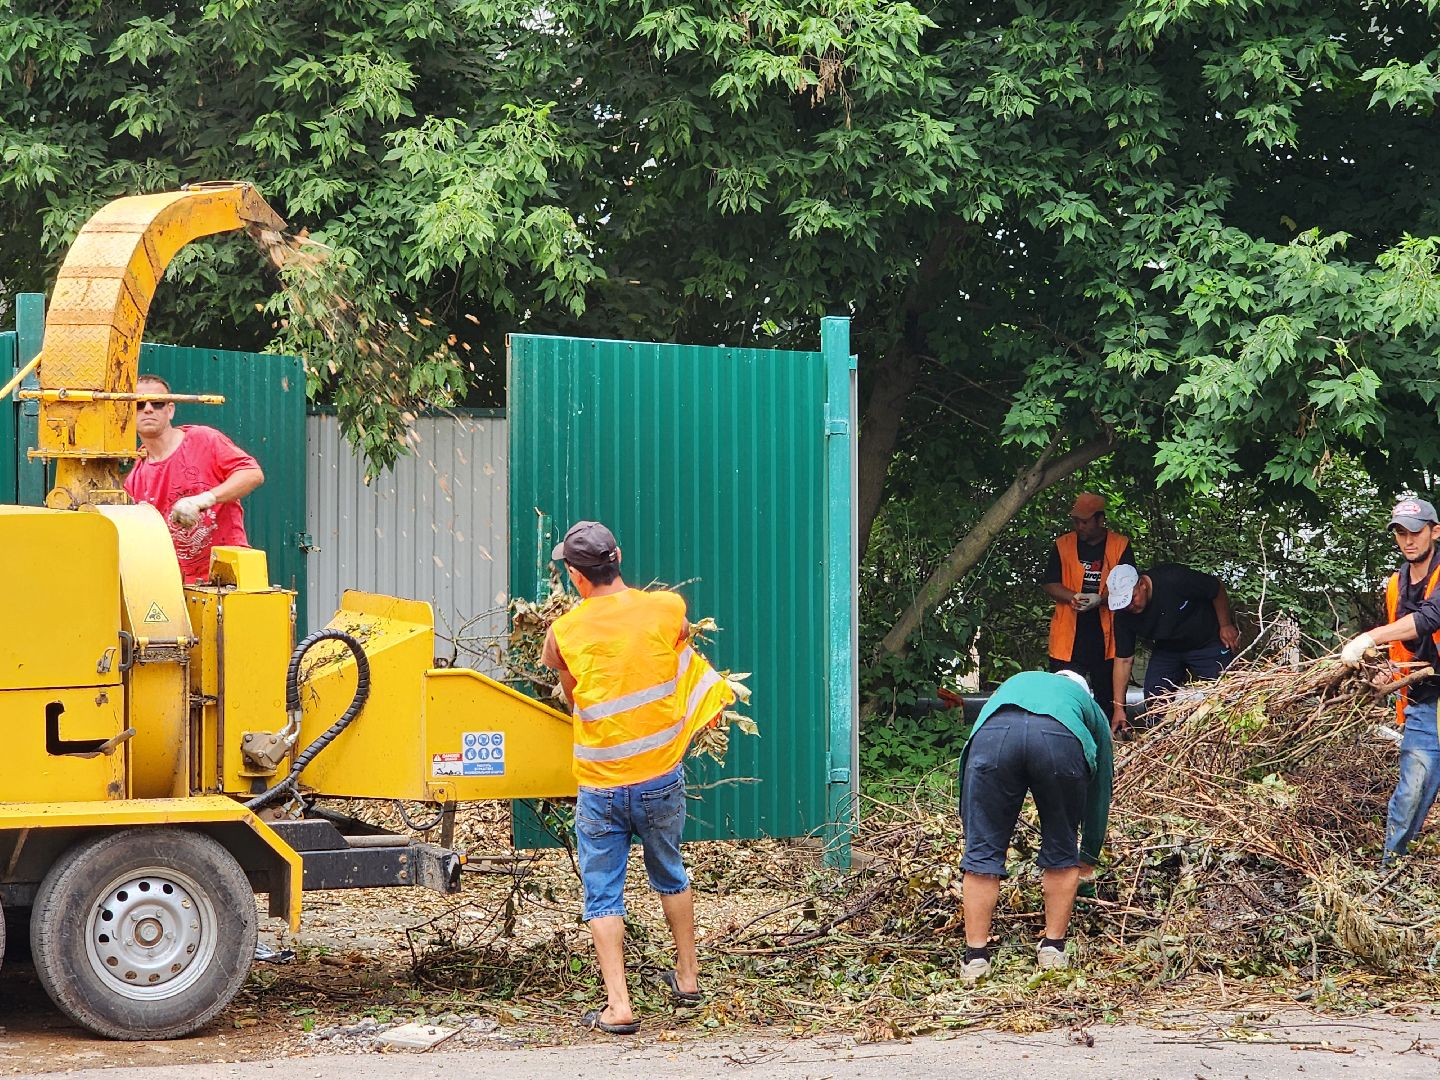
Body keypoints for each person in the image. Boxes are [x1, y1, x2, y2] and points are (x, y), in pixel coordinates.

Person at [540, 521, 735, 1035]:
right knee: (670, 872)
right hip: (659, 779)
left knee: (603, 894)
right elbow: (680, 647)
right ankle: (688, 978)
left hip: (601, 786)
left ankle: (619, 1007)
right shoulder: (667, 607)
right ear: (619, 557)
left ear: (576, 578)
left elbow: (572, 691)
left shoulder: (563, 633)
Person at [957, 668, 1113, 982]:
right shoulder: (1087, 705)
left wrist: (971, 829)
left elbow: (970, 753)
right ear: (1084, 692)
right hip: (1060, 740)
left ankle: (976, 958)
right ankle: (1052, 950)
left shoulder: (1011, 687)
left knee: (982, 854)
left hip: (994, 737)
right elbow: (1101, 788)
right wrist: (1088, 855)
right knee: (1061, 845)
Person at [1341, 497, 1440, 862]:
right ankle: (1390, 866)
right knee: (1413, 787)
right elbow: (1407, 643)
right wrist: (1388, 670)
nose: (1408, 540)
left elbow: (1430, 618)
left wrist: (1368, 637)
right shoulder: (1397, 583)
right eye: (1400, 533)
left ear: (1435, 531)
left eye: (1415, 531)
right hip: (1425, 699)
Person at [123, 374, 265, 583]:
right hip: (176, 588)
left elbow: (252, 473)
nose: (148, 409)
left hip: (228, 577)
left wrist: (205, 499)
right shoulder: (135, 477)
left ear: (170, 409)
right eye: (139, 404)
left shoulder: (204, 440)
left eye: (157, 403)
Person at [1105, 563, 1240, 733]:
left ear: (1143, 585)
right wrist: (1119, 708)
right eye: (1123, 604)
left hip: (1206, 641)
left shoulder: (1174, 579)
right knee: (1155, 697)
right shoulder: (1124, 616)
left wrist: (1225, 625)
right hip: (1168, 647)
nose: (1129, 606)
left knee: (1228, 691)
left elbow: (1216, 588)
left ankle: (1230, 732)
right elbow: (1123, 659)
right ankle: (1162, 738)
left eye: (1132, 598)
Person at [1041, 492, 1135, 719]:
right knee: (1064, 695)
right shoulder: (1063, 544)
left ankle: (1109, 742)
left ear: (1100, 520)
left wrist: (1100, 599)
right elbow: (1050, 583)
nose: (1079, 526)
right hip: (1069, 635)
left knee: (1106, 698)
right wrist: (1073, 596)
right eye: (1076, 521)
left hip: (1106, 635)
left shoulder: (1119, 545)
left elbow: (1128, 584)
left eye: (1084, 521)